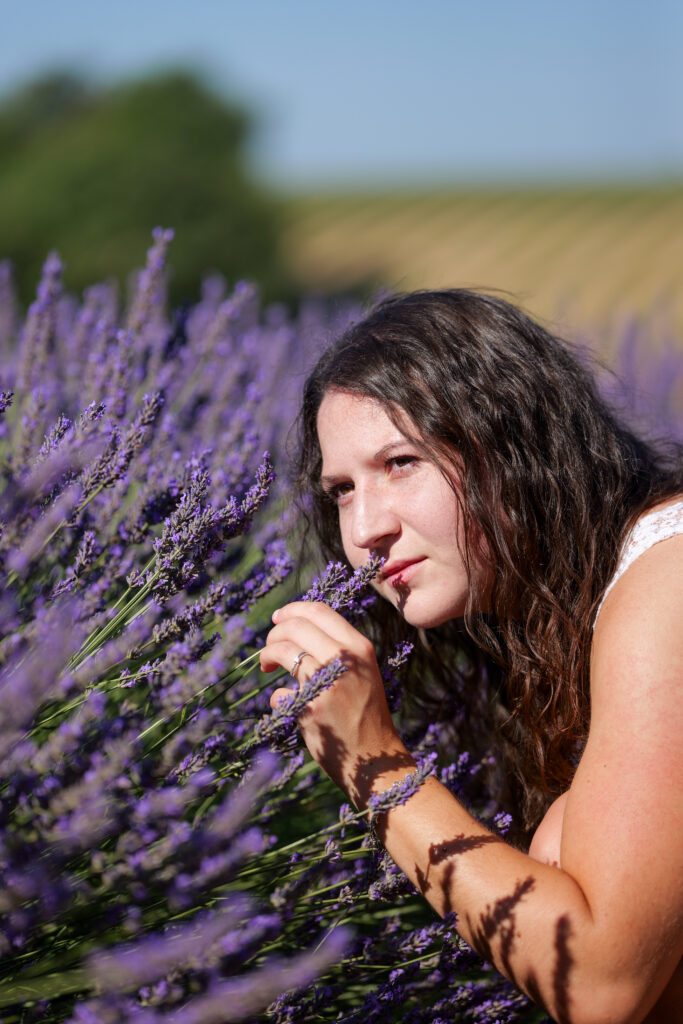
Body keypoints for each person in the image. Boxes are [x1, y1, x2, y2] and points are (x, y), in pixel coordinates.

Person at [259, 290, 683, 1023]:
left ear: (513, 442)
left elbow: (597, 984)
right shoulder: (545, 625)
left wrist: (375, 760)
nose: (365, 529)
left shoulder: (668, 583)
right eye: (340, 490)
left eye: (400, 462)